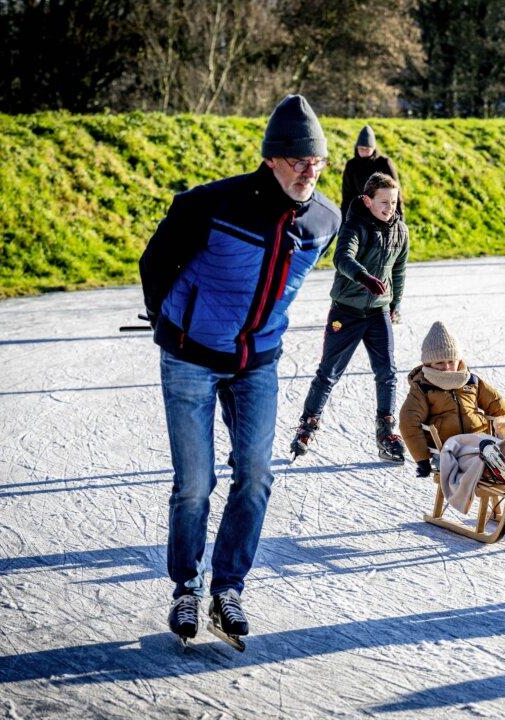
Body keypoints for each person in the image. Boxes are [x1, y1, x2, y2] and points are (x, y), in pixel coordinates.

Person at [139, 94, 341, 644]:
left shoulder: (325, 219)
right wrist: (172, 322)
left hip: (258, 364)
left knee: (254, 475)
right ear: (271, 159)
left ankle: (227, 588)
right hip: (191, 358)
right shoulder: (211, 204)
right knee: (196, 483)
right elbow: (156, 262)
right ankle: (186, 588)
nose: (308, 172)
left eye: (317, 162)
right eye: (298, 160)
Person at [291, 172, 409, 463]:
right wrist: (363, 277)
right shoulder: (354, 225)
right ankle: (307, 426)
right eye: (383, 202)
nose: (389, 207)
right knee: (329, 372)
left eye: (393, 202)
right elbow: (342, 258)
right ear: (367, 201)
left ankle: (386, 432)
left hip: (378, 311)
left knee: (387, 372)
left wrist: (395, 303)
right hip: (346, 310)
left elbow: (399, 270)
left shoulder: (401, 231)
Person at [399, 321, 505, 511]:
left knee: (504, 446)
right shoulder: (422, 388)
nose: (447, 367)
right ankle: (496, 468)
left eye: (451, 361)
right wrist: (421, 458)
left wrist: (504, 432)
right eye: (440, 362)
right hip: (451, 447)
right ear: (428, 363)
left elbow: (496, 404)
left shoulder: (471, 381)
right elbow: (409, 422)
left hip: (482, 440)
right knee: (476, 458)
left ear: (459, 359)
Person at [341, 125, 402, 218]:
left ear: (373, 148)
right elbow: (347, 195)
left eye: (367, 149)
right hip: (359, 214)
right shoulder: (351, 165)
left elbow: (395, 191)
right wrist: (344, 217)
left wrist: (400, 216)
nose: (364, 152)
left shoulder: (384, 163)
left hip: (383, 212)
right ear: (357, 148)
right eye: (361, 149)